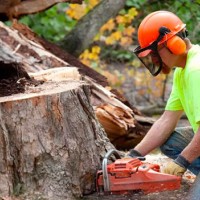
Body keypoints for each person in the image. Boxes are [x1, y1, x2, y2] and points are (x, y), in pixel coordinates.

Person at [129, 10, 200, 177]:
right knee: (172, 142)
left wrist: (183, 161)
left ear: (174, 44)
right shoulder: (182, 70)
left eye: (154, 53)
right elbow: (167, 120)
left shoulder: (196, 70)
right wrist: (133, 155)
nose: (154, 60)